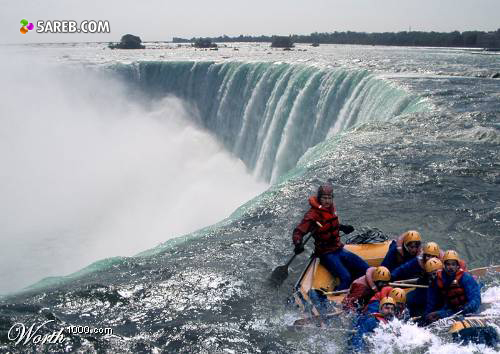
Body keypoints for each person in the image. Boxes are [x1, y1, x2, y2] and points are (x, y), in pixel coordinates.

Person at [292, 184, 369, 290]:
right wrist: (298, 243)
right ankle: (339, 302)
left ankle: (359, 289)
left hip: (338, 248)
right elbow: (298, 231)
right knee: (346, 277)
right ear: (319, 199)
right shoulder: (312, 215)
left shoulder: (330, 209)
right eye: (324, 198)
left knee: (365, 267)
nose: (327, 201)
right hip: (326, 253)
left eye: (329, 198)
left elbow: (331, 224)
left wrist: (343, 227)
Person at [425, 250, 481, 324]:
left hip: (468, 309)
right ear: (444, 266)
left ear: (457, 266)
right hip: (452, 310)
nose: (450, 267)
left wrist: (469, 307)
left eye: (453, 264)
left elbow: (475, 298)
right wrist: (427, 316)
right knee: (431, 316)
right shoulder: (438, 280)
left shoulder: (466, 278)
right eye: (448, 264)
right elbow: (431, 302)